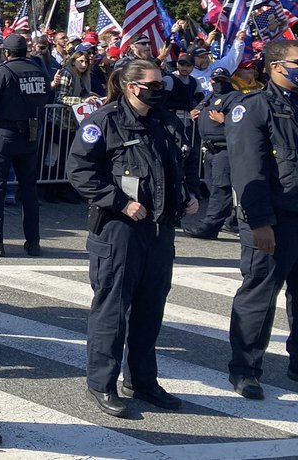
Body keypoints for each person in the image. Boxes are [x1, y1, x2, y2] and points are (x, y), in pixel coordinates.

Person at [67, 58, 200, 418]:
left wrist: (190, 192)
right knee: (112, 310)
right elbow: (80, 170)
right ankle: (102, 382)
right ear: (131, 86)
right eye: (153, 86)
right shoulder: (105, 122)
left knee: (150, 309)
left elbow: (185, 161)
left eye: (162, 86)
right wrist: (120, 203)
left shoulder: (167, 121)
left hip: (159, 230)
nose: (160, 92)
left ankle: (142, 381)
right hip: (119, 230)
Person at [226, 38, 298, 399]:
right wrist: (259, 223)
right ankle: (245, 369)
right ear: (276, 67)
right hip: (273, 218)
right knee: (259, 294)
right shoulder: (254, 107)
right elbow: (247, 170)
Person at [0, 34, 49, 257]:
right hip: (30, 134)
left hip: (3, 134)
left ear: (6, 53)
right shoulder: (38, 70)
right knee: (29, 189)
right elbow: (47, 96)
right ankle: (33, 241)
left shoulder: (2, 71)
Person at [182, 68, 238, 239]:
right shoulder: (209, 98)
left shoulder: (236, 98)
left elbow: (243, 123)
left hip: (225, 149)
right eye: (215, 80)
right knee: (212, 186)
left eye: (222, 80)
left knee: (220, 189)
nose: (218, 83)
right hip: (209, 150)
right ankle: (230, 221)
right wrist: (194, 113)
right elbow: (198, 109)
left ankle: (210, 227)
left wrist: (224, 120)